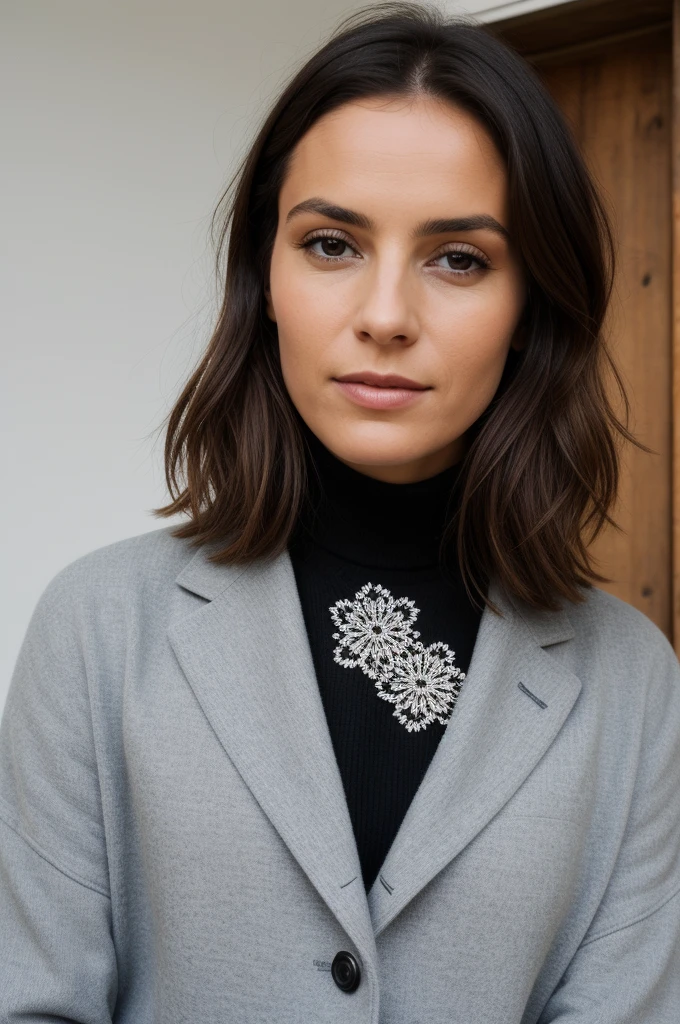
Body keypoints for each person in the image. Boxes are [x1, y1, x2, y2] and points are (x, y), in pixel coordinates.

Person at [1, 2, 679, 1020]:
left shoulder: (630, 682)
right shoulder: (98, 628)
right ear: (263, 276)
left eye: (458, 258)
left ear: (529, 303)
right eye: (330, 244)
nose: (384, 316)